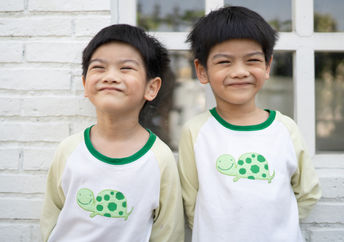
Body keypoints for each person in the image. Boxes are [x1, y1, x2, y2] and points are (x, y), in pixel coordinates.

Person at [178, 6, 321, 242]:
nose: (240, 72)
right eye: (224, 62)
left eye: (252, 60)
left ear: (267, 66)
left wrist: (277, 225)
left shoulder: (285, 128)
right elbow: (190, 200)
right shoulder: (196, 131)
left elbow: (307, 192)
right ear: (202, 71)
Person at [40, 24, 184, 242]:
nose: (110, 76)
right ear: (85, 84)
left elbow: (168, 232)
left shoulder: (160, 158)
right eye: (99, 67)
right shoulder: (69, 150)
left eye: (126, 68)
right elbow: (51, 218)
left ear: (151, 88)